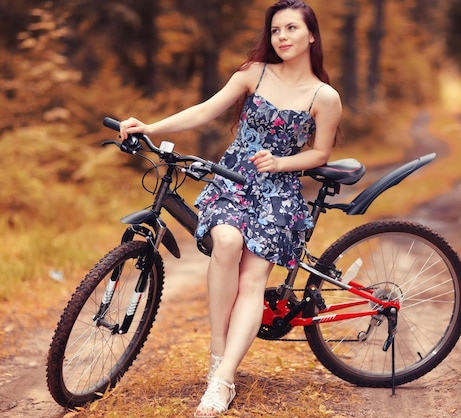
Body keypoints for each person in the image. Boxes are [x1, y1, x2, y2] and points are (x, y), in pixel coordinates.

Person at [119, 1, 342, 416]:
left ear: (311, 35)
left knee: (253, 278)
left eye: (292, 29)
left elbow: (320, 154)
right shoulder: (253, 73)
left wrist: (281, 163)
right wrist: (151, 126)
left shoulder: (324, 96)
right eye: (276, 30)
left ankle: (223, 383)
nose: (283, 37)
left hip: (279, 190)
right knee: (225, 242)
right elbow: (205, 110)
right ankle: (218, 355)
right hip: (234, 177)